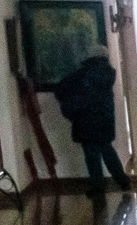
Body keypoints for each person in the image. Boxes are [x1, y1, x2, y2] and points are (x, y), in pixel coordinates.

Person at [52, 51, 132, 190]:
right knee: (107, 150)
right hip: (105, 119)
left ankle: (97, 185)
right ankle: (122, 180)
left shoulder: (83, 73)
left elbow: (61, 87)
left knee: (91, 154)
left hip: (85, 119)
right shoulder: (108, 74)